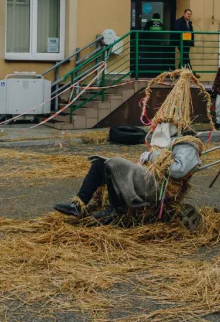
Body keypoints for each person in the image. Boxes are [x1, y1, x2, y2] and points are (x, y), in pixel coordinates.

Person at [53, 69, 206, 226]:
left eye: (165, 124)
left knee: (114, 163)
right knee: (100, 163)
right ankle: (79, 204)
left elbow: (178, 170)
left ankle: (116, 209)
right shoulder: (168, 139)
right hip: (146, 176)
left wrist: (153, 156)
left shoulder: (187, 144)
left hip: (157, 186)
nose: (160, 128)